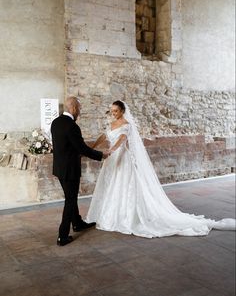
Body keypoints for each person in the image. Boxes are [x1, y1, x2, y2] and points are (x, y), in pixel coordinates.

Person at [86, 100, 235, 238]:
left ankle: (126, 216)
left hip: (121, 157)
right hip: (111, 159)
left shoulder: (126, 124)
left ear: (123, 111)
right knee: (111, 185)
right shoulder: (112, 124)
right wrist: (91, 147)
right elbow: (104, 136)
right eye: (112, 111)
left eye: (116, 111)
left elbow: (122, 139)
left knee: (124, 185)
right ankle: (111, 213)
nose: (113, 114)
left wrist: (111, 150)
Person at [51, 96, 108, 246]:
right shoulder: (72, 126)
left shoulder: (55, 122)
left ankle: (77, 223)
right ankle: (62, 236)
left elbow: (65, 145)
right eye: (80, 109)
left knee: (71, 197)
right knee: (70, 200)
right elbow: (81, 148)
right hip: (70, 170)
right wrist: (102, 155)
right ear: (74, 108)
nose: (80, 112)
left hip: (59, 168)